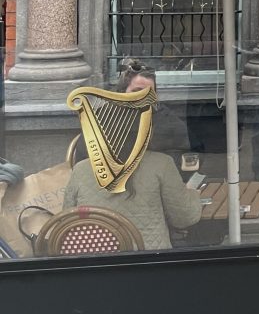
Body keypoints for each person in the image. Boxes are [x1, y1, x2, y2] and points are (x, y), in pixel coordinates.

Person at [63, 60, 202, 250]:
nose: (142, 100)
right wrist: (193, 195)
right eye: (137, 92)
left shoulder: (80, 169)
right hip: (148, 259)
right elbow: (184, 218)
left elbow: (67, 220)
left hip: (95, 258)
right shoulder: (161, 164)